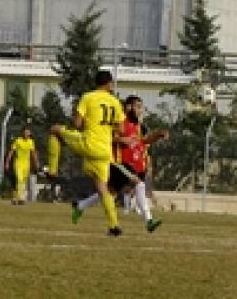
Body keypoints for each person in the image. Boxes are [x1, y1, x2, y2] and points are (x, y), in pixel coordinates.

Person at [71, 95, 167, 232]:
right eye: (138, 107)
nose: (141, 110)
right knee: (139, 184)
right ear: (128, 107)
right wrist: (120, 139)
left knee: (108, 193)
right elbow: (106, 135)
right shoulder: (119, 120)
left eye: (141, 107)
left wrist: (158, 135)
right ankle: (149, 221)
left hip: (126, 166)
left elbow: (143, 141)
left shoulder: (137, 125)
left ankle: (80, 206)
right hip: (116, 162)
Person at [49, 70, 125, 236]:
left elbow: (77, 123)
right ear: (108, 84)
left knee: (55, 130)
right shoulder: (115, 102)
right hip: (105, 150)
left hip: (88, 143)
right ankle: (114, 225)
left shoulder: (88, 97)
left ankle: (52, 171)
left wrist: (75, 120)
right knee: (103, 189)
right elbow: (121, 128)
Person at [5, 128, 38, 205]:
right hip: (18, 163)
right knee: (19, 179)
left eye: (28, 133)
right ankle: (21, 198)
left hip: (27, 164)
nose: (27, 134)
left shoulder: (31, 142)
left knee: (23, 181)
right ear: (23, 133)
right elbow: (11, 152)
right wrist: (7, 163)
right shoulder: (18, 141)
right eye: (25, 132)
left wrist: (36, 163)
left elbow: (33, 153)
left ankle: (14, 197)